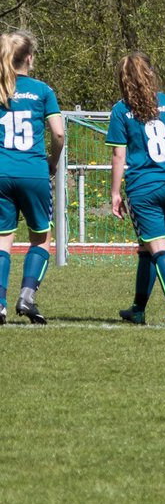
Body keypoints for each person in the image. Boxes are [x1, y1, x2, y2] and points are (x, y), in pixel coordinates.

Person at [107, 53, 165, 326]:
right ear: (150, 73)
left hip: (144, 189)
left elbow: (118, 156)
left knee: (158, 247)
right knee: (147, 248)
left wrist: (115, 193)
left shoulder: (121, 110)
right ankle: (138, 308)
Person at [0, 31, 64, 325]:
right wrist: (52, 161)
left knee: (2, 239)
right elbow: (59, 133)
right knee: (40, 238)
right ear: (28, 58)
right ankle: (26, 296)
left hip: (1, 172)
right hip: (33, 171)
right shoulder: (42, 90)